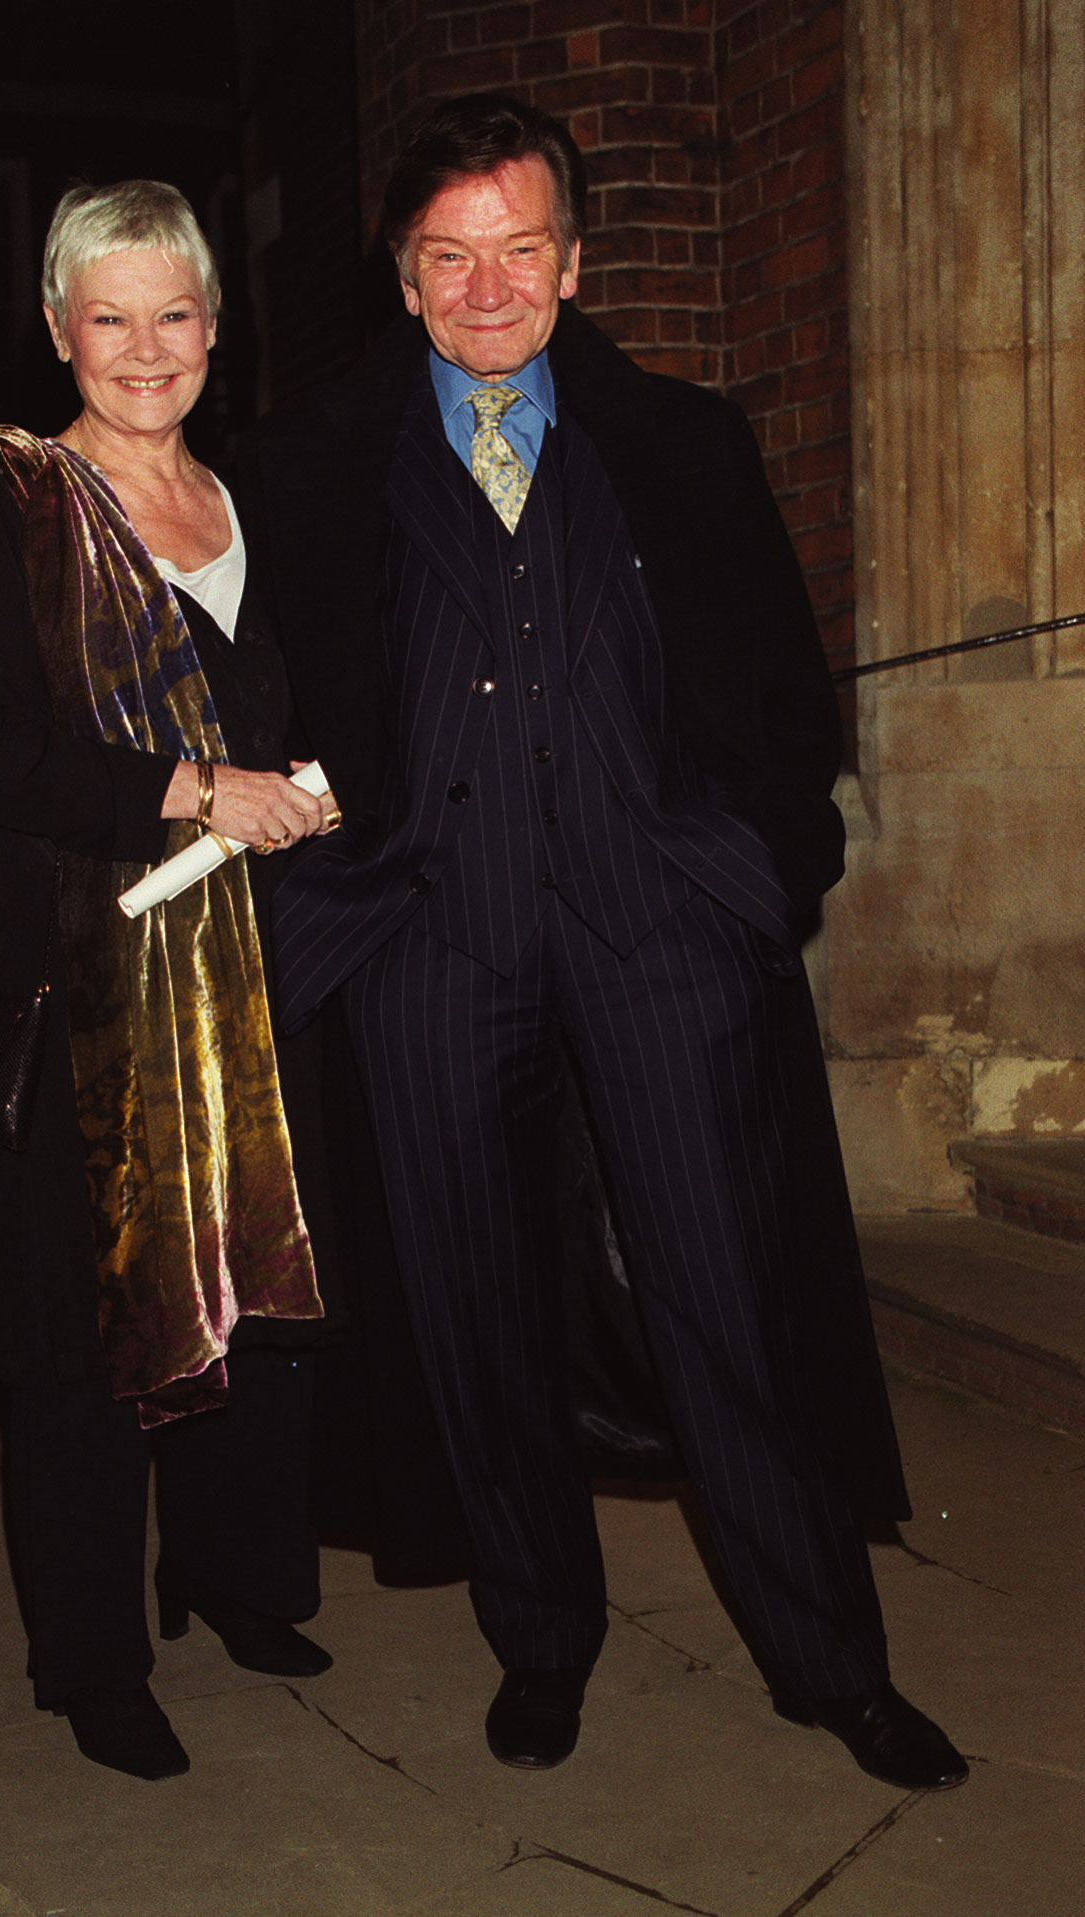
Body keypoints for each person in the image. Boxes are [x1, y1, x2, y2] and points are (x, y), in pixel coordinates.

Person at [236, 95, 968, 1790]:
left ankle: (830, 1661)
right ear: (404, 282)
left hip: (663, 941)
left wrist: (752, 875)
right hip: (432, 942)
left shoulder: (684, 441)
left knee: (730, 1303)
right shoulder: (308, 459)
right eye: (447, 257)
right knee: (479, 1321)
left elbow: (780, 695)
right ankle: (543, 1636)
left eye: (516, 249)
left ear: (569, 261)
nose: (485, 285)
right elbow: (256, 697)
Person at [0, 180, 339, 1781]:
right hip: (76, 979)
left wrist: (299, 781)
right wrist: (194, 786)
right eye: (109, 316)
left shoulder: (241, 495)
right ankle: (90, 1662)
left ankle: (229, 1577)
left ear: (217, 323)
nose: (145, 349)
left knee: (246, 1286)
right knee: (80, 1337)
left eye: (176, 314)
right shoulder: (5, 501)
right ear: (59, 326)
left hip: (243, 969)